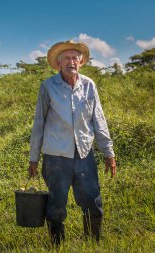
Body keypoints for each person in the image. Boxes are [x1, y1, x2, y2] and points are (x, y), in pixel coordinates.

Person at [28, 40, 116, 246]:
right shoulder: (48, 86)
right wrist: (34, 158)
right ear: (58, 63)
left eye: (75, 58)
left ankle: (92, 244)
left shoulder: (89, 85)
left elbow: (99, 120)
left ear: (81, 61)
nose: (71, 62)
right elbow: (38, 124)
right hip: (56, 157)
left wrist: (108, 152)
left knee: (92, 201)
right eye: (66, 58)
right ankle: (57, 246)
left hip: (84, 154)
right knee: (56, 204)